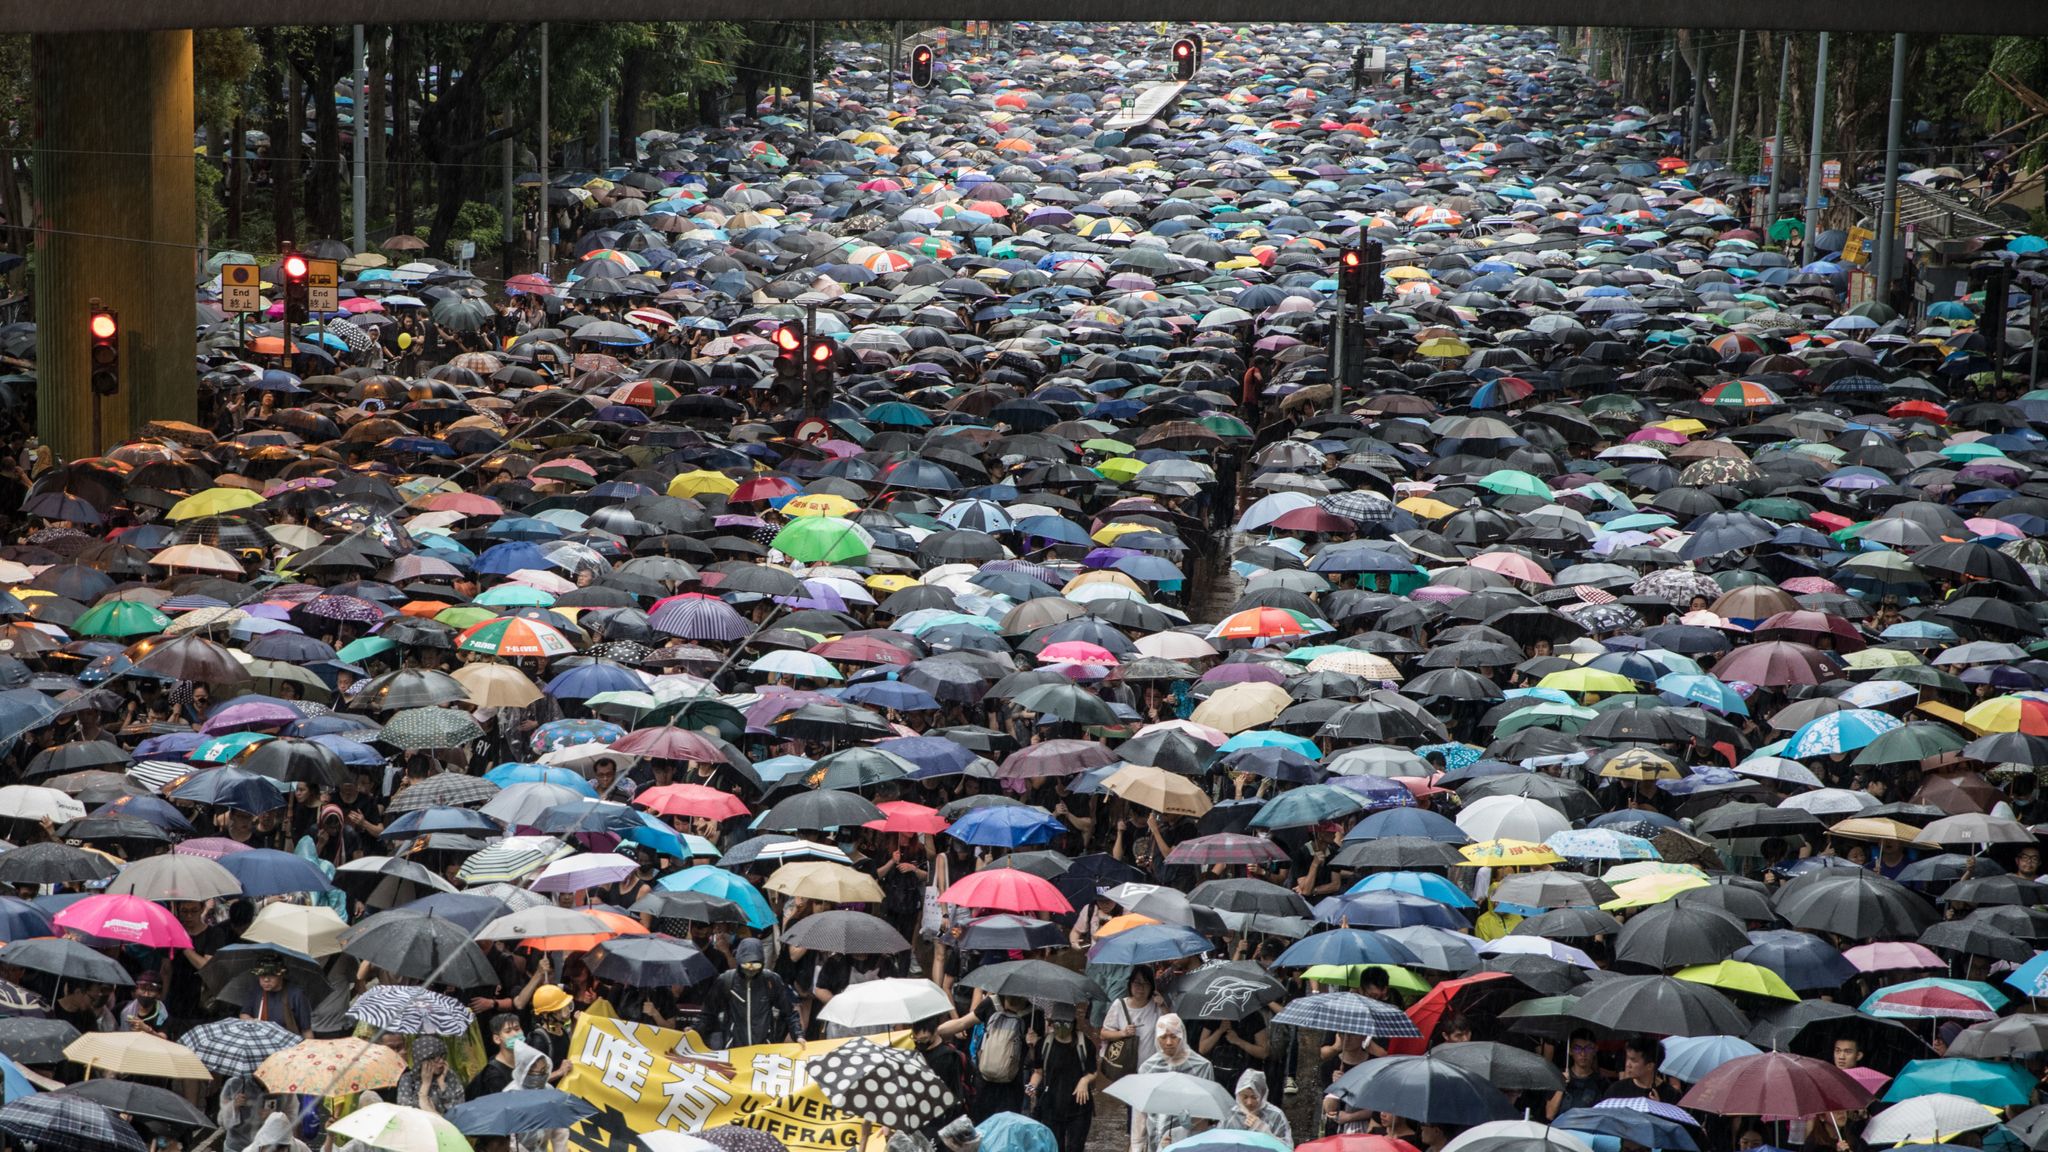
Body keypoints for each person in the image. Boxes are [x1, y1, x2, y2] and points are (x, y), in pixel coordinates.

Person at [697, 938, 799, 1048]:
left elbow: (789, 1013)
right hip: (734, 1050)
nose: (751, 969)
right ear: (739, 961)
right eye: (746, 964)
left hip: (764, 1051)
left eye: (756, 965)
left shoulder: (771, 980)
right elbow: (708, 1013)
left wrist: (798, 1035)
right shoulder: (726, 980)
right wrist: (695, 1031)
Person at [1135, 1014, 1213, 1152]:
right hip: (1155, 1137)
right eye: (1163, 1037)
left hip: (1190, 1140)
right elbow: (1140, 1111)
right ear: (1156, 1038)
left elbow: (1206, 1111)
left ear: (1182, 1036)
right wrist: (1137, 1144)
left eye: (1174, 1036)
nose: (1169, 1042)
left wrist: (1183, 1128)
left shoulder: (1201, 1067)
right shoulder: (1148, 1068)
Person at [1027, 1002, 1097, 1152]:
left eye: (1066, 1023)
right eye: (1057, 1023)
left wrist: (1084, 1080)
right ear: (1051, 1023)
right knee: (1054, 1147)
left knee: (1075, 1147)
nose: (1061, 1028)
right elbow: (1038, 1072)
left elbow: (1093, 1071)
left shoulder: (1085, 1044)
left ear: (1073, 1023)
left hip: (1079, 1108)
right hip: (1051, 1106)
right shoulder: (1044, 1044)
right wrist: (1031, 1086)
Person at [396, 1036, 466, 1114]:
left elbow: (458, 1108)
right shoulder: (408, 1079)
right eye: (434, 1058)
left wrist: (442, 1085)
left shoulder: (449, 1075)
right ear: (421, 1060)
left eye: (442, 1056)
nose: (441, 1061)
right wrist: (425, 1085)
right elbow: (406, 1112)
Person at [1220, 1070, 1292, 1145]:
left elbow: (1287, 1147)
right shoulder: (1230, 1115)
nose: (1249, 1102)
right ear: (1238, 1095)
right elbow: (1217, 1143)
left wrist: (1265, 1131)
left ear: (1262, 1095)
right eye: (1245, 1097)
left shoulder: (1275, 1115)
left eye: (1254, 1097)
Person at [467, 1013, 529, 1098]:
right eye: (508, 1031)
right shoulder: (494, 1075)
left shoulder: (527, 1060)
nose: (515, 1034)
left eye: (517, 1029)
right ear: (497, 1039)